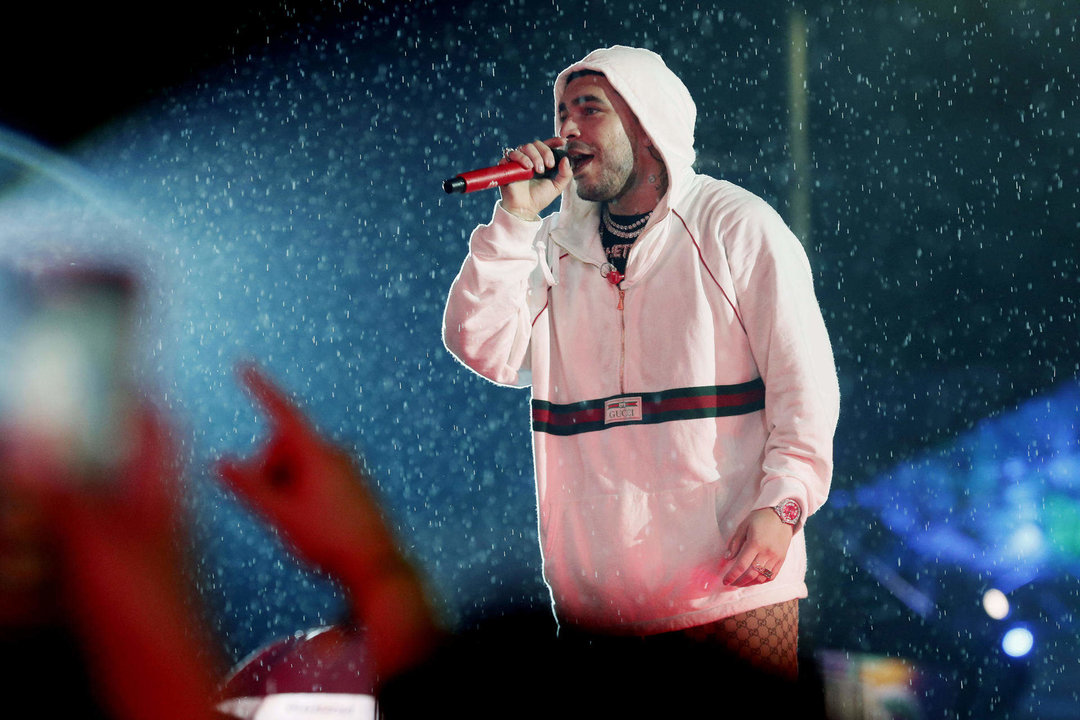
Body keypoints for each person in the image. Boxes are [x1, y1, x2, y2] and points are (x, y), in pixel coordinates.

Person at [442, 45, 840, 678]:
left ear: (647, 124)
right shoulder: (551, 248)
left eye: (589, 110)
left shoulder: (734, 225)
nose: (566, 130)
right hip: (599, 612)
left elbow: (806, 386)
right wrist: (516, 220)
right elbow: (479, 345)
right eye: (562, 111)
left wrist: (784, 504)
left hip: (732, 587)